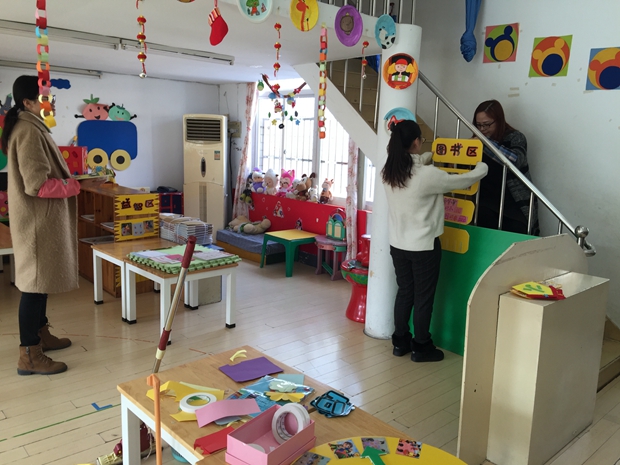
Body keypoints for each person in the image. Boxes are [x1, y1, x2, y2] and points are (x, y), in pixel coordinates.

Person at [381, 120, 488, 363]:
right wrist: (482, 168)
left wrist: (425, 157)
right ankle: (421, 347)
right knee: (423, 297)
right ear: (416, 141)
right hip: (424, 247)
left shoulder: (389, 172)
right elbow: (462, 181)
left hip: (398, 245)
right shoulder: (428, 176)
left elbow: (416, 165)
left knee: (405, 293)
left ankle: (400, 342)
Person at [2, 75, 82, 375]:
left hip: (40, 222)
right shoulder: (28, 131)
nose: (52, 103)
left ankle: (40, 335)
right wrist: (73, 186)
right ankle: (29, 355)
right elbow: (36, 185)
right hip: (37, 223)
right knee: (34, 287)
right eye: (46, 98)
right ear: (27, 102)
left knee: (41, 282)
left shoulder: (31, 126)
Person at [472, 99, 539, 235]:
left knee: (517, 238)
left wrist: (485, 143)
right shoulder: (475, 142)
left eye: (486, 125)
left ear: (499, 121)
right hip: (485, 204)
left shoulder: (515, 137)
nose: (482, 129)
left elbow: (515, 160)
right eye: (478, 125)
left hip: (513, 205)